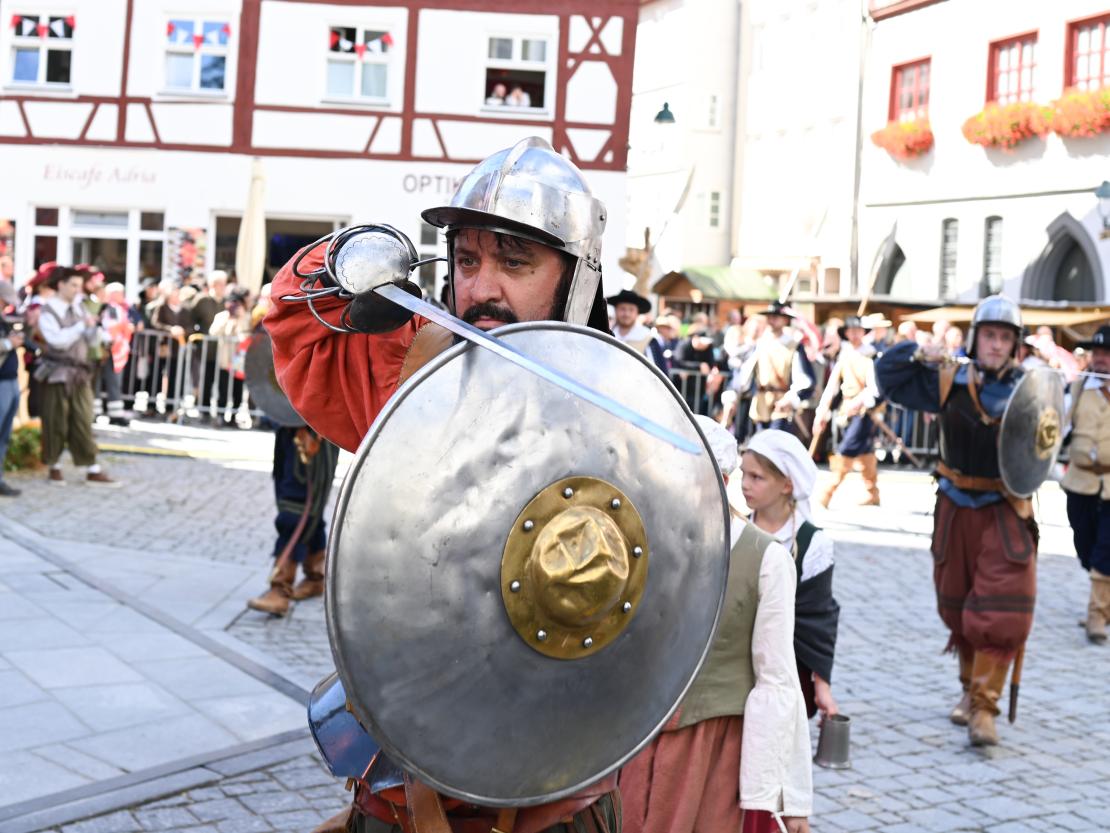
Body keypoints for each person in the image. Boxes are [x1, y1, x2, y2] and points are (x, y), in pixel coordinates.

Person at [266, 137, 618, 832]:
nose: (483, 287)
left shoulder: (629, 426)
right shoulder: (414, 371)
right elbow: (291, 316)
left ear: (574, 276)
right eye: (467, 260)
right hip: (401, 795)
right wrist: (368, 255)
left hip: (547, 806)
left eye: (515, 262)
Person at [619, 416, 812, 833]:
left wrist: (791, 795)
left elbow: (778, 679)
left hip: (710, 752)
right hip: (633, 739)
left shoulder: (766, 559)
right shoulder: (636, 542)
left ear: (721, 476)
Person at [876, 295, 1034, 747]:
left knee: (1001, 608)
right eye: (990, 335)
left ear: (1015, 344)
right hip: (954, 504)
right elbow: (888, 377)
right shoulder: (948, 379)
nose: (997, 345)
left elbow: (1043, 443)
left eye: (1005, 337)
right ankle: (968, 692)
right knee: (960, 603)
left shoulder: (1030, 389)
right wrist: (918, 352)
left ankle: (985, 707)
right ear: (975, 337)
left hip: (1005, 508)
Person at [741, 430, 840, 723]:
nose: (745, 484)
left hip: (785, 670)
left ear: (786, 484)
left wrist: (822, 686)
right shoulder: (734, 530)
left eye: (756, 477)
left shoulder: (813, 544)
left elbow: (817, 618)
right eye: (743, 475)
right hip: (735, 668)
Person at [35, 266, 117, 486]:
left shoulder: (80, 306)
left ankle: (92, 467)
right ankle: (54, 466)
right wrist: (82, 327)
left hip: (80, 372)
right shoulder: (49, 309)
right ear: (60, 284)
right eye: (73, 285)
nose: (77, 290)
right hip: (58, 371)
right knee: (56, 420)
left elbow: (89, 341)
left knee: (83, 418)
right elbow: (56, 340)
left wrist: (96, 331)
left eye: (79, 285)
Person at [247, 423, 340, 616]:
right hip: (288, 425)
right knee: (301, 504)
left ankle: (280, 588)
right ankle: (315, 577)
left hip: (314, 429)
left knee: (296, 509)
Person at [1061, 325, 1110, 643]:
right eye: (1098, 353)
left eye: (1107, 354)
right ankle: (1104, 601)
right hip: (1079, 480)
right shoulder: (1078, 389)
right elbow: (1057, 427)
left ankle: (1097, 615)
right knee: (1085, 546)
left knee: (1106, 548)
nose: (1102, 359)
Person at [814, 315, 880, 508]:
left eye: (857, 330)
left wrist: (859, 402)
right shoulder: (844, 355)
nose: (854, 334)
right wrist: (822, 411)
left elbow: (874, 387)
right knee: (864, 450)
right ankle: (872, 493)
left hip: (865, 410)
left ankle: (827, 492)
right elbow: (832, 386)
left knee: (847, 449)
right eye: (850, 330)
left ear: (863, 332)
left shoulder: (871, 355)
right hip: (847, 408)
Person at [737, 301, 813, 435]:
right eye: (770, 317)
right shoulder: (760, 344)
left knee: (776, 446)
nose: (772, 320)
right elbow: (745, 374)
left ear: (785, 320)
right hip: (760, 402)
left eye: (776, 317)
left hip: (782, 403)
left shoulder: (794, 346)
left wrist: (790, 398)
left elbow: (804, 379)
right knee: (759, 447)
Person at [98, 282, 134, 424]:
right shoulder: (111, 308)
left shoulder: (117, 308)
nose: (122, 296)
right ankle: (114, 414)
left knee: (108, 380)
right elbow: (112, 327)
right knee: (111, 380)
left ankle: (104, 412)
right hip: (110, 348)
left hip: (112, 348)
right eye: (119, 293)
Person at [0, 277, 23, 496]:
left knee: (4, 435)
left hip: (9, 381)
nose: (7, 305)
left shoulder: (4, 318)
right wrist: (9, 343)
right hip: (2, 383)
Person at [607, 288, 666, 372]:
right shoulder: (607, 334)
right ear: (616, 310)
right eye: (622, 309)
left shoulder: (647, 339)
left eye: (631, 310)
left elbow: (658, 374)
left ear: (637, 312)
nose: (626, 314)